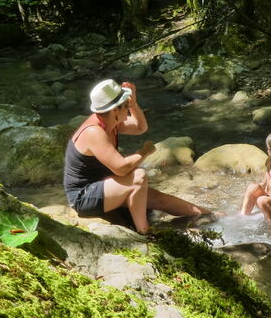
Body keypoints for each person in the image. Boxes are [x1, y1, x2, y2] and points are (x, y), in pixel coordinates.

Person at [63, 78, 209, 234]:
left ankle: (210, 214)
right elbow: (121, 168)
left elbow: (140, 127)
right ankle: (144, 231)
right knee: (138, 176)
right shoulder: (94, 132)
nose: (128, 110)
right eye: (126, 106)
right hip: (83, 197)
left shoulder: (109, 121)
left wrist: (133, 104)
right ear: (114, 110)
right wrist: (144, 151)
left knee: (160, 199)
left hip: (105, 185)